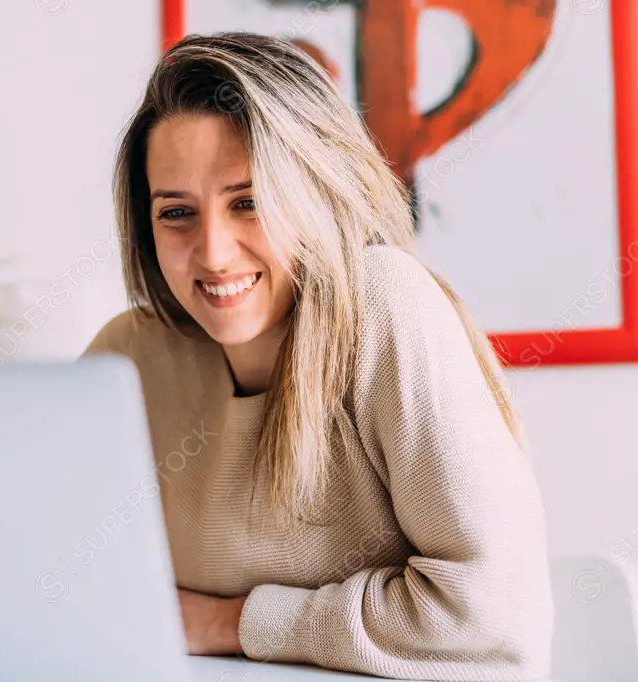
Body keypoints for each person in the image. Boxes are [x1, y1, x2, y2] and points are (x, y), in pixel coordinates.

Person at [83, 32, 553, 681]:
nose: (214, 252)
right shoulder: (125, 356)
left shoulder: (384, 304)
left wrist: (229, 622)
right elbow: (37, 558)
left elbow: (494, 617)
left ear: (317, 190)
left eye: (248, 202)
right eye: (176, 214)